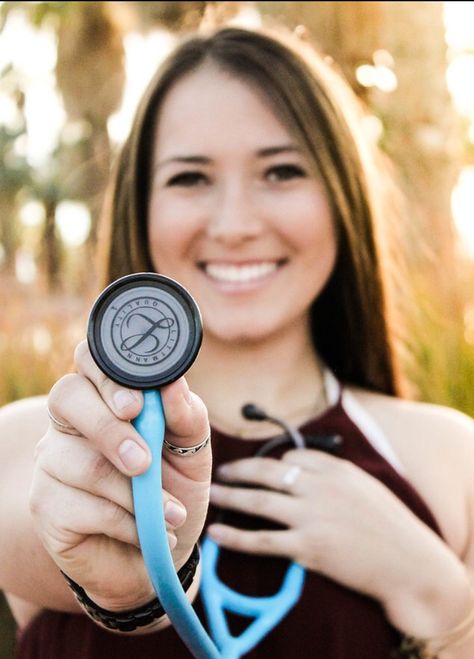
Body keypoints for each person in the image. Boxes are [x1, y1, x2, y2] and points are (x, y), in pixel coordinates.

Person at [1, 23, 474, 659]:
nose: (235, 225)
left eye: (281, 171)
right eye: (190, 179)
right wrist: (130, 585)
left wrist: (438, 595)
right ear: (140, 207)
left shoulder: (450, 458)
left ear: (342, 197)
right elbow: (56, 544)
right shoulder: (30, 450)